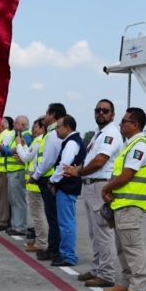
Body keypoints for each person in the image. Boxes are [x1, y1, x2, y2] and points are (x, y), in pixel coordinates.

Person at [65, 100, 122, 288]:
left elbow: (99, 161)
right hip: (91, 185)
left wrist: (79, 172)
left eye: (105, 111)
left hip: (100, 185)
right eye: (98, 110)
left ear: (112, 115)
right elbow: (90, 159)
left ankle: (106, 273)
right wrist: (77, 170)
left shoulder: (111, 134)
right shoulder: (98, 134)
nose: (101, 113)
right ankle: (97, 269)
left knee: (103, 232)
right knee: (94, 233)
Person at [100, 108, 146, 291]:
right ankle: (126, 283)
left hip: (131, 205)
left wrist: (106, 187)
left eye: (124, 121)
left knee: (133, 247)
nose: (120, 124)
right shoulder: (128, 145)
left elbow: (127, 174)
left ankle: (138, 289)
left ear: (135, 124)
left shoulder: (140, 146)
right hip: (121, 204)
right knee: (122, 247)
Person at [48, 115, 86, 268]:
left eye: (58, 126)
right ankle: (66, 253)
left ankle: (68, 255)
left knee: (66, 222)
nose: (56, 129)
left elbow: (64, 165)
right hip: (68, 185)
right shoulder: (72, 141)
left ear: (67, 127)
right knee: (66, 221)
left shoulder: (71, 143)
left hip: (67, 185)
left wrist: (52, 180)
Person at [30, 103, 66, 261]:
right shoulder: (51, 134)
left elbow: (48, 160)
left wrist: (36, 175)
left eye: (46, 113)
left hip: (49, 179)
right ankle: (54, 247)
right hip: (49, 178)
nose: (44, 116)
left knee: (52, 216)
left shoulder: (53, 135)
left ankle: (54, 248)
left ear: (52, 115)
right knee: (52, 216)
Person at [18, 118, 48, 252]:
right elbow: (29, 156)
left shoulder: (38, 141)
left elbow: (25, 158)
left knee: (37, 214)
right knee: (39, 214)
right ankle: (40, 239)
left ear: (42, 129)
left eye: (35, 127)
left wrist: (19, 145)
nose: (32, 130)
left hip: (34, 184)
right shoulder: (40, 141)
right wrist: (24, 146)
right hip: (35, 182)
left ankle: (41, 242)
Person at [5, 115, 31, 235]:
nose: (14, 124)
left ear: (23, 125)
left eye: (16, 123)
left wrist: (5, 150)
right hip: (12, 170)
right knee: (13, 200)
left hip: (17, 170)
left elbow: (16, 150)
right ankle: (16, 225)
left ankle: (20, 227)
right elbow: (13, 150)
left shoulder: (25, 135)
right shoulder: (16, 135)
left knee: (18, 200)